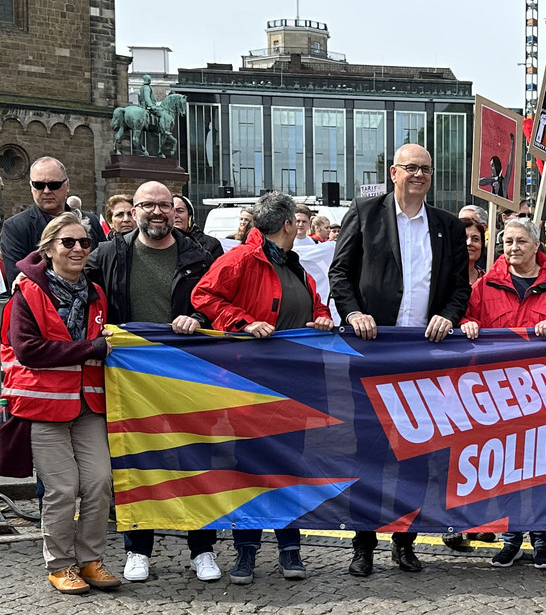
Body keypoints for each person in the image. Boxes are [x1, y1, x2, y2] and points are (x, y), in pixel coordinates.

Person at [329, 143, 471, 576]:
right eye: (411, 168)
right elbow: (340, 272)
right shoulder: (365, 212)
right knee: (367, 451)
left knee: (418, 452)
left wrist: (447, 317)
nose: (419, 175)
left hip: (424, 356)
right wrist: (353, 312)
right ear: (393, 172)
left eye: (426, 169)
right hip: (372, 352)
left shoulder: (447, 225)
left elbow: (460, 289)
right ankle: (362, 545)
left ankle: (405, 542)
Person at [191, 192, 333, 585]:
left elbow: (314, 305)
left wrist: (320, 317)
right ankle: (246, 551)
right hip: (250, 384)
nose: (300, 226)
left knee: (291, 465)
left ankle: (290, 548)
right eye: (297, 221)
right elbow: (203, 295)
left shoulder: (294, 264)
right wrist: (242, 322)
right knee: (249, 468)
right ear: (287, 223)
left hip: (292, 382)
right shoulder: (241, 259)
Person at [84, 181, 219, 583]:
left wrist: (200, 318)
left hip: (189, 374)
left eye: (164, 205)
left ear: (176, 209)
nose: (156, 212)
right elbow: (69, 276)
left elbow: (221, 302)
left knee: (196, 461)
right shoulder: (109, 253)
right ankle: (138, 549)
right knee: (137, 462)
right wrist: (29, 277)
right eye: (148, 205)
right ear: (134, 210)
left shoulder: (201, 254)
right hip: (132, 379)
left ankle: (203, 548)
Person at [457, 217, 546, 569]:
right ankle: (512, 536)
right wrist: (467, 323)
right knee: (508, 466)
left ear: (536, 246)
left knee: (544, 466)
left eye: (520, 241)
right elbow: (466, 318)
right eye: (507, 242)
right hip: (501, 393)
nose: (513, 248)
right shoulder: (485, 286)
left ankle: (541, 536)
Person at [0, 212, 119, 595]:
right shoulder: (28, 293)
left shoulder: (96, 292)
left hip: (89, 404)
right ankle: (61, 564)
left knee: (100, 482)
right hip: (45, 409)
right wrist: (91, 349)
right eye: (68, 242)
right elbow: (28, 350)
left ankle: (90, 559)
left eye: (85, 242)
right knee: (63, 489)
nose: (79, 249)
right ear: (48, 249)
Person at [2, 157, 107, 287]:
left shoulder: (91, 221)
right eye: (39, 185)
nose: (46, 191)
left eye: (54, 185)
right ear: (31, 187)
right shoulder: (15, 227)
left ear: (67, 185)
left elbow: (105, 267)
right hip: (43, 303)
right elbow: (18, 279)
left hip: (92, 301)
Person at [172, 195, 223, 259]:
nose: (175, 215)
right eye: (171, 211)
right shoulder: (160, 244)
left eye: (180, 210)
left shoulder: (212, 245)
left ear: (190, 216)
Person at [461, 216, 487, 284]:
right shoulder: (441, 277)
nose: (469, 243)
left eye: (475, 239)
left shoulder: (486, 279)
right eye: (464, 238)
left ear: (481, 244)